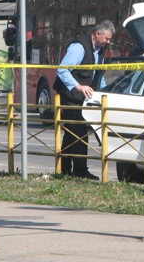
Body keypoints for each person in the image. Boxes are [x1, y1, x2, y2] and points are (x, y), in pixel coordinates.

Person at [53, 20, 115, 180]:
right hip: (69, 96)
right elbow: (62, 70)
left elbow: (97, 75)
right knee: (80, 133)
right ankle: (80, 171)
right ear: (97, 33)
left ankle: (64, 169)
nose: (109, 42)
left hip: (82, 99)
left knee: (71, 133)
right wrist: (78, 87)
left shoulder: (100, 51)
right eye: (107, 38)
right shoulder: (79, 47)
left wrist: (105, 92)